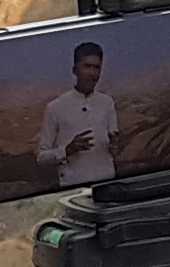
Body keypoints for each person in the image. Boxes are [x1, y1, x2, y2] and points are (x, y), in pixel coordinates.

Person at [41, 40, 118, 182]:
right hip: (73, 186)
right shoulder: (56, 107)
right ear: (75, 70)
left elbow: (113, 144)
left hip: (107, 182)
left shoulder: (107, 103)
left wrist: (116, 146)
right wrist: (68, 150)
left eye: (96, 68)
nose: (92, 73)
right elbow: (42, 157)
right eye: (87, 66)